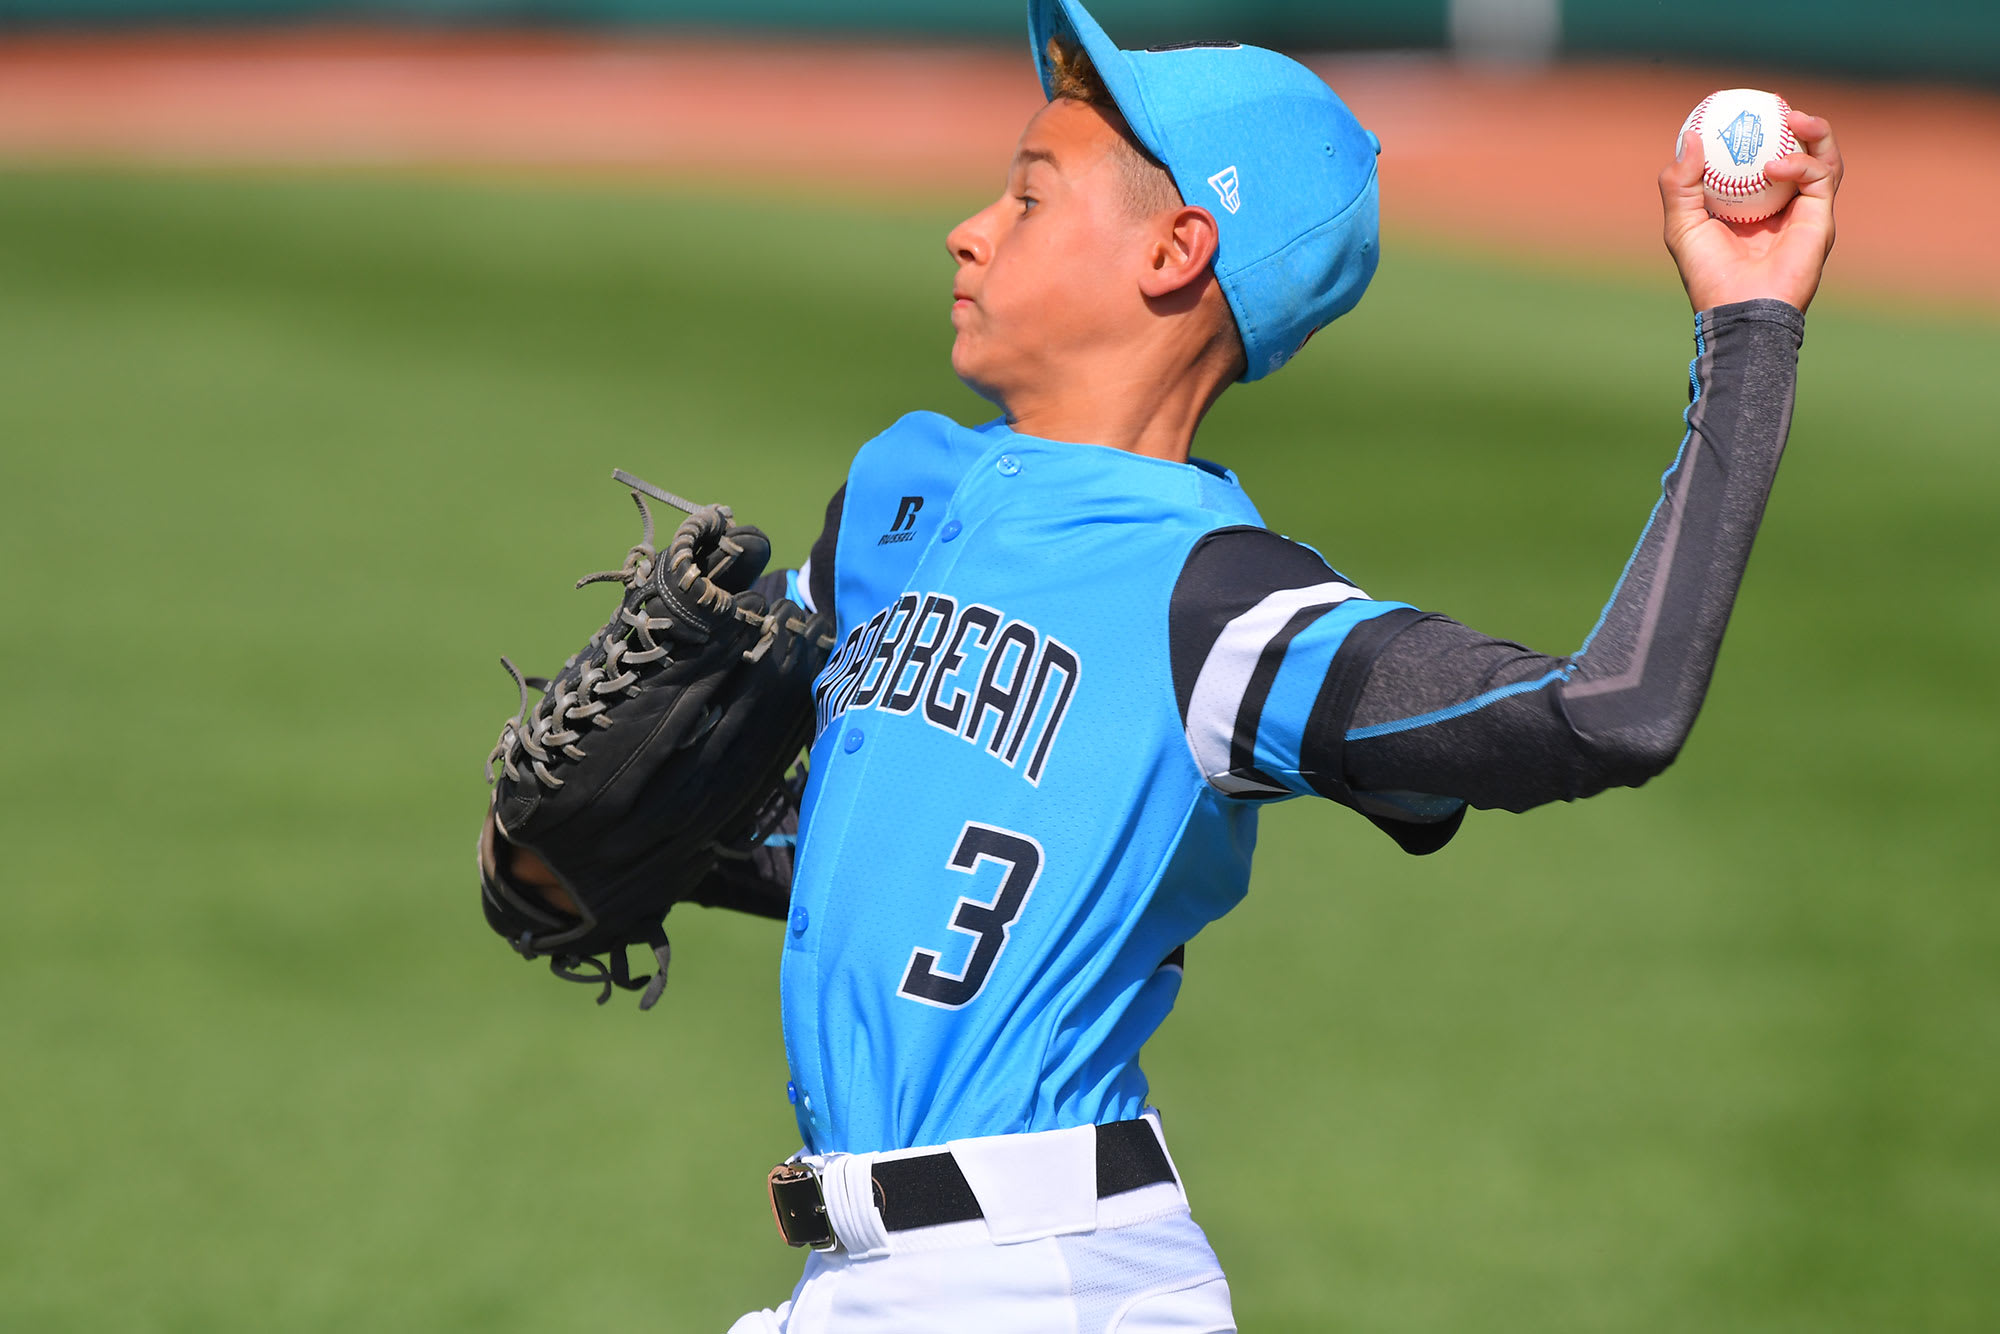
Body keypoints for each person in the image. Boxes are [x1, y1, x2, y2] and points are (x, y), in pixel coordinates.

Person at [492, 1, 1841, 1328]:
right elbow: (902, 851)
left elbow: (1608, 712)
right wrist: (645, 847)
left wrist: (1748, 331)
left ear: (1176, 251)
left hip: (1039, 1278)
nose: (969, 228)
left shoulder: (1225, 608)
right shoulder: (897, 501)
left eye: (1028, 198)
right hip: (855, 1281)